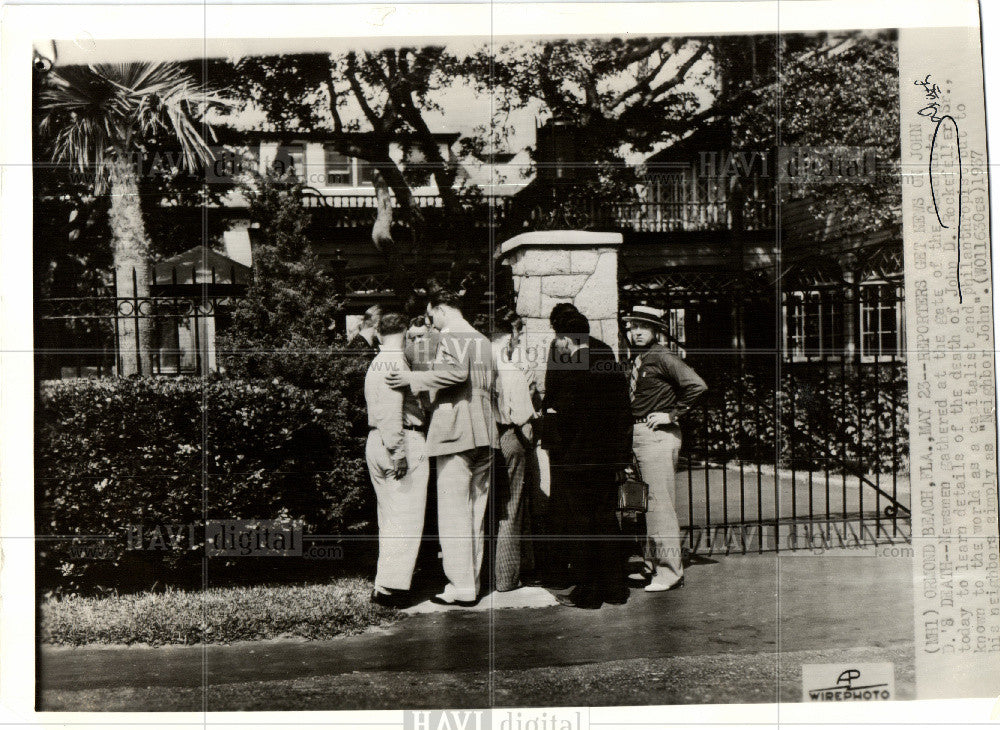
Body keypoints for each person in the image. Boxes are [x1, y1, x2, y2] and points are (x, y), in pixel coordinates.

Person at [387, 289, 495, 606]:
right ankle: (471, 583)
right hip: (485, 432)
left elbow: (456, 373)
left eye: (431, 314)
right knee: (476, 512)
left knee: (453, 514)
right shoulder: (484, 341)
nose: (431, 322)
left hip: (455, 433)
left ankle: (460, 586)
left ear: (440, 309)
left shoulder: (452, 334)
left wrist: (412, 379)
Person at [543, 306, 632, 608]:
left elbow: (559, 409)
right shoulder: (604, 354)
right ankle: (616, 589)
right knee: (606, 519)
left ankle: (588, 592)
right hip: (605, 457)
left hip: (575, 457)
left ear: (564, 337)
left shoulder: (567, 363)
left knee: (581, 523)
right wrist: (622, 457)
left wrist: (551, 420)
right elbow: (622, 409)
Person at [624, 305, 707, 592]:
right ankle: (651, 566)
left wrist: (671, 415)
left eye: (643, 327)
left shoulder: (663, 355)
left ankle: (669, 572)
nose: (636, 332)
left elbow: (697, 386)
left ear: (656, 330)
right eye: (633, 326)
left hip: (656, 436)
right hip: (639, 435)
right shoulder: (642, 357)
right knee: (645, 504)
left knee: (660, 507)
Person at [363, 312, 429, 608]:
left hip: (376, 440)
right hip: (400, 439)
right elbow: (393, 411)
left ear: (378, 333)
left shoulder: (376, 361)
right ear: (403, 332)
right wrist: (399, 452)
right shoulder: (396, 361)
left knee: (388, 516)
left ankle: (383, 583)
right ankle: (393, 588)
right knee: (406, 517)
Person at [490, 308, 538, 591]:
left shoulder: (478, 366)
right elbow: (522, 414)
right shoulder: (511, 370)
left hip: (486, 440)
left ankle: (489, 572)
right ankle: (507, 576)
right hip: (509, 436)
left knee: (491, 507)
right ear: (508, 339)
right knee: (512, 507)